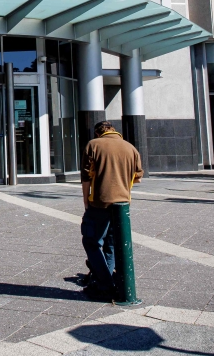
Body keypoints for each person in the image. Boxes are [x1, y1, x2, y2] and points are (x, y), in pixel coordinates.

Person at [80, 121, 143, 301]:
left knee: (91, 241)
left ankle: (105, 283)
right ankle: (105, 282)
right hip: (123, 203)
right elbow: (138, 177)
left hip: (100, 201)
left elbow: (86, 176)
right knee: (112, 244)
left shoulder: (93, 145)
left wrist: (86, 201)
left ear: (98, 133)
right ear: (114, 131)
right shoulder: (131, 148)